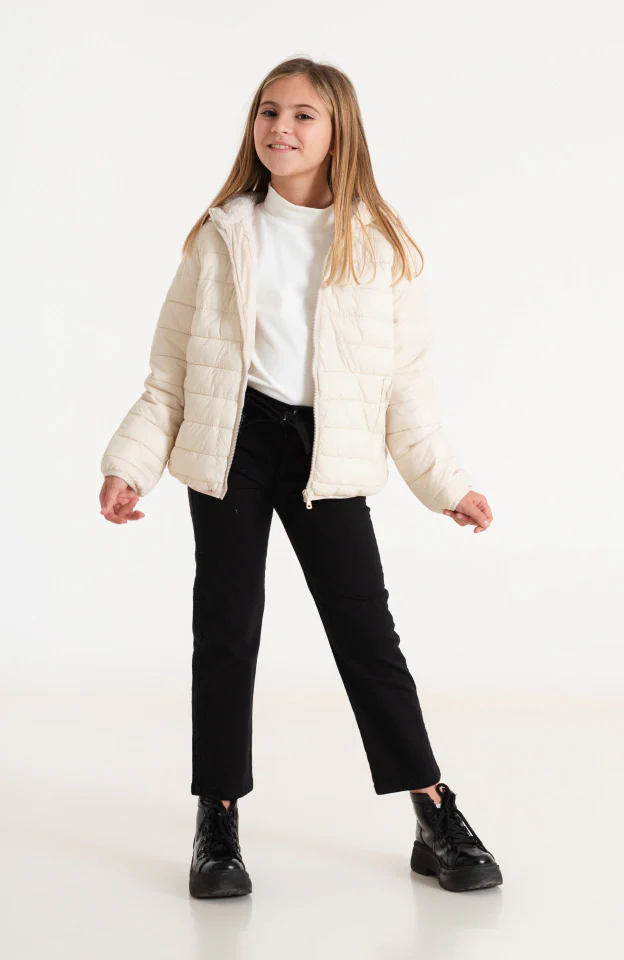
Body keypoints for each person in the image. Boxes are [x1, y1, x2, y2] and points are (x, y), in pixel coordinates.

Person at [99, 56, 502, 898]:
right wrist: (131, 464)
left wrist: (447, 484)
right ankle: (217, 820)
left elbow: (404, 390)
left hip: (328, 453)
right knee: (227, 630)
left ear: (338, 131)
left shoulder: (381, 247)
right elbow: (172, 372)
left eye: (302, 115)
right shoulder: (221, 234)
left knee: (366, 634)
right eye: (268, 111)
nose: (280, 127)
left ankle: (434, 810)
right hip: (234, 444)